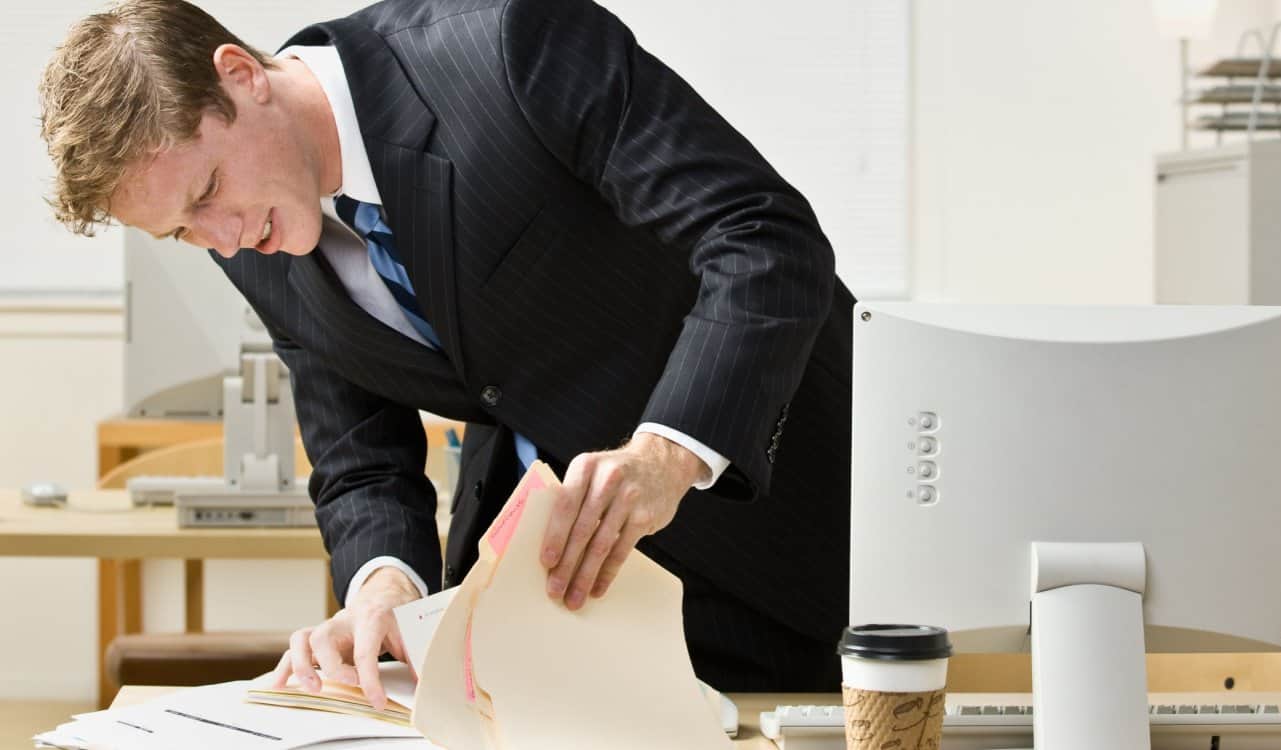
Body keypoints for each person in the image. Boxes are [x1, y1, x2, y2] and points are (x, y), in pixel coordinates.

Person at [40, 0, 855, 703]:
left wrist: (667, 451)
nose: (219, 239)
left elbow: (761, 236)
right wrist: (385, 582)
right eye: (183, 233)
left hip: (758, 543)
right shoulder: (251, 241)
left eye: (208, 192)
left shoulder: (505, 46)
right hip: (530, 594)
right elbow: (360, 454)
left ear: (241, 76)